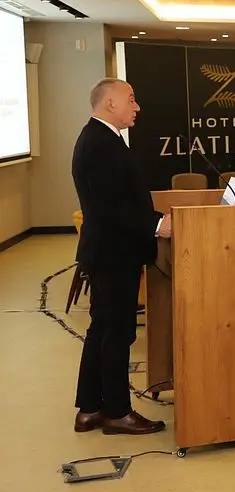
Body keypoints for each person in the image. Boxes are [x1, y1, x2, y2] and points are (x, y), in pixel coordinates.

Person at [71, 78, 171, 436]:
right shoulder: (101, 144)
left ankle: (90, 408)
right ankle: (117, 412)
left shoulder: (100, 139)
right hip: (114, 253)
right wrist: (157, 224)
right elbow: (112, 207)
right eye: (131, 98)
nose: (137, 106)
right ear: (110, 102)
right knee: (117, 333)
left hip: (110, 250)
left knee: (102, 328)